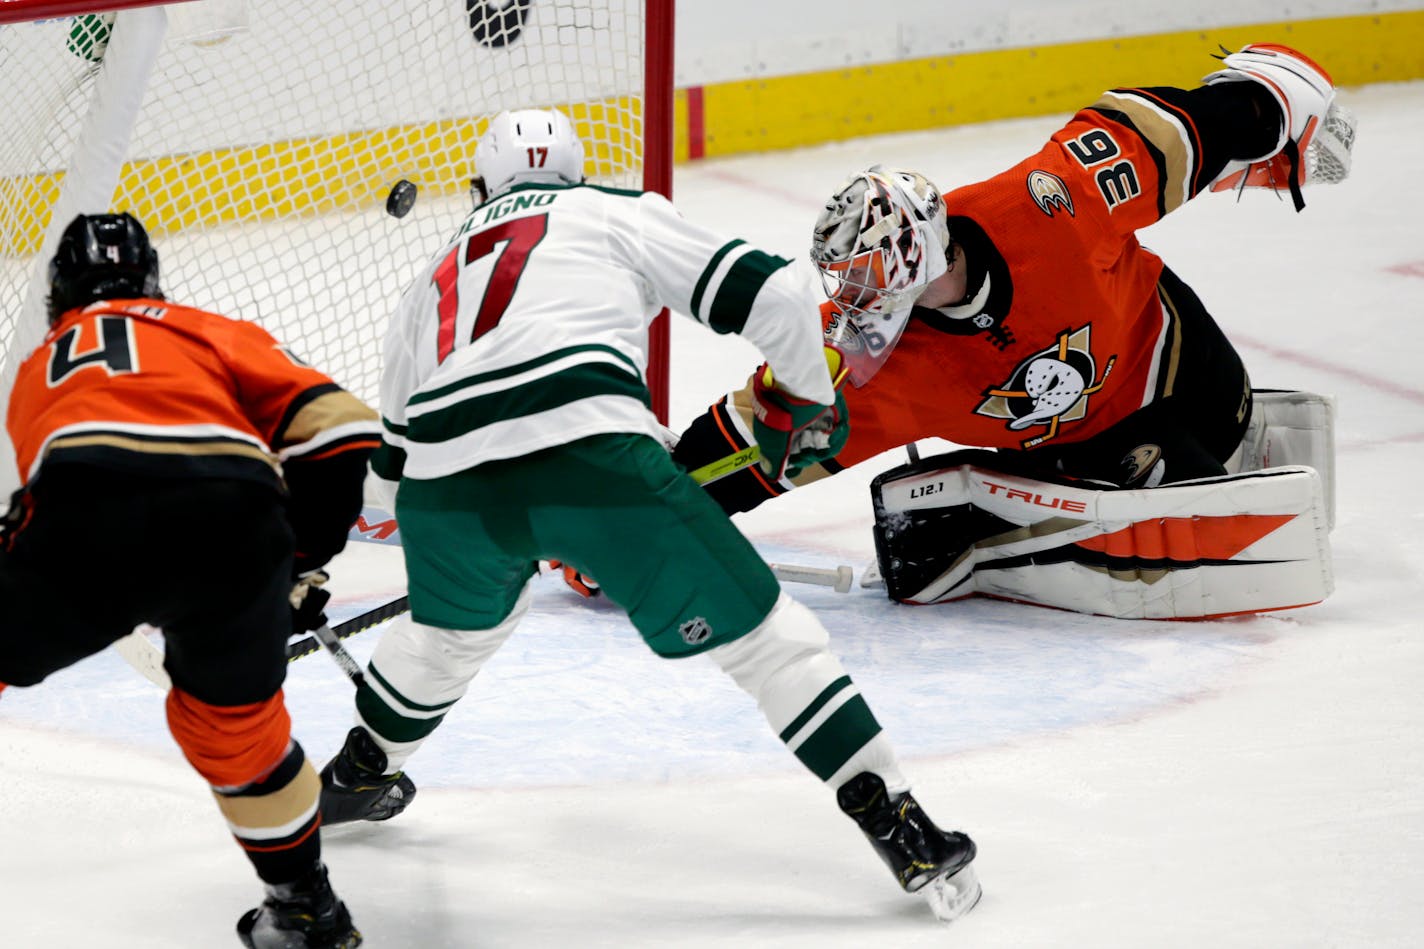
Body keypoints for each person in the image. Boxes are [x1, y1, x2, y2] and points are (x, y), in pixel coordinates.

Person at [317, 108, 981, 921]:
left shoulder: (427, 283)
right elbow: (773, 292)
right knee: (772, 642)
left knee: (447, 632)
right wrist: (805, 398)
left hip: (447, 495)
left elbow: (389, 474)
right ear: (574, 170)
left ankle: (357, 770)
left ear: (478, 189)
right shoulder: (612, 209)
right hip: (594, 456)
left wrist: (344, 547)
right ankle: (900, 825)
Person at [668, 43, 1353, 615]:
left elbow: (1169, 136)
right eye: (848, 283)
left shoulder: (1053, 202)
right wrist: (638, 521)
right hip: (1094, 451)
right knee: (1174, 500)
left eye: (870, 284)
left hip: (1186, 365)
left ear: (918, 263)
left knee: (1197, 475)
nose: (855, 307)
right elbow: (753, 441)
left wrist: (1267, 112)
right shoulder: (858, 357)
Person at [0, 213, 378, 948]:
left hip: (88, 517)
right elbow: (344, 431)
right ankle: (306, 910)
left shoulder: (38, 364)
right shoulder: (206, 328)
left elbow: (50, 503)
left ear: (58, 295)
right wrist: (297, 560)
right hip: (235, 521)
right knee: (238, 736)